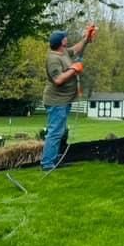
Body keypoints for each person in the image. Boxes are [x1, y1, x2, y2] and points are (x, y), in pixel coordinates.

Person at [41, 25, 96, 171]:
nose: (67, 38)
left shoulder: (63, 52)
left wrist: (86, 38)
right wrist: (74, 69)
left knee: (60, 131)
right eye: (65, 37)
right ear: (62, 42)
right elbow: (58, 79)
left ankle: (54, 159)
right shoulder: (53, 59)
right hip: (56, 102)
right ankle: (47, 164)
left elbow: (76, 49)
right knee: (55, 132)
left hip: (64, 100)